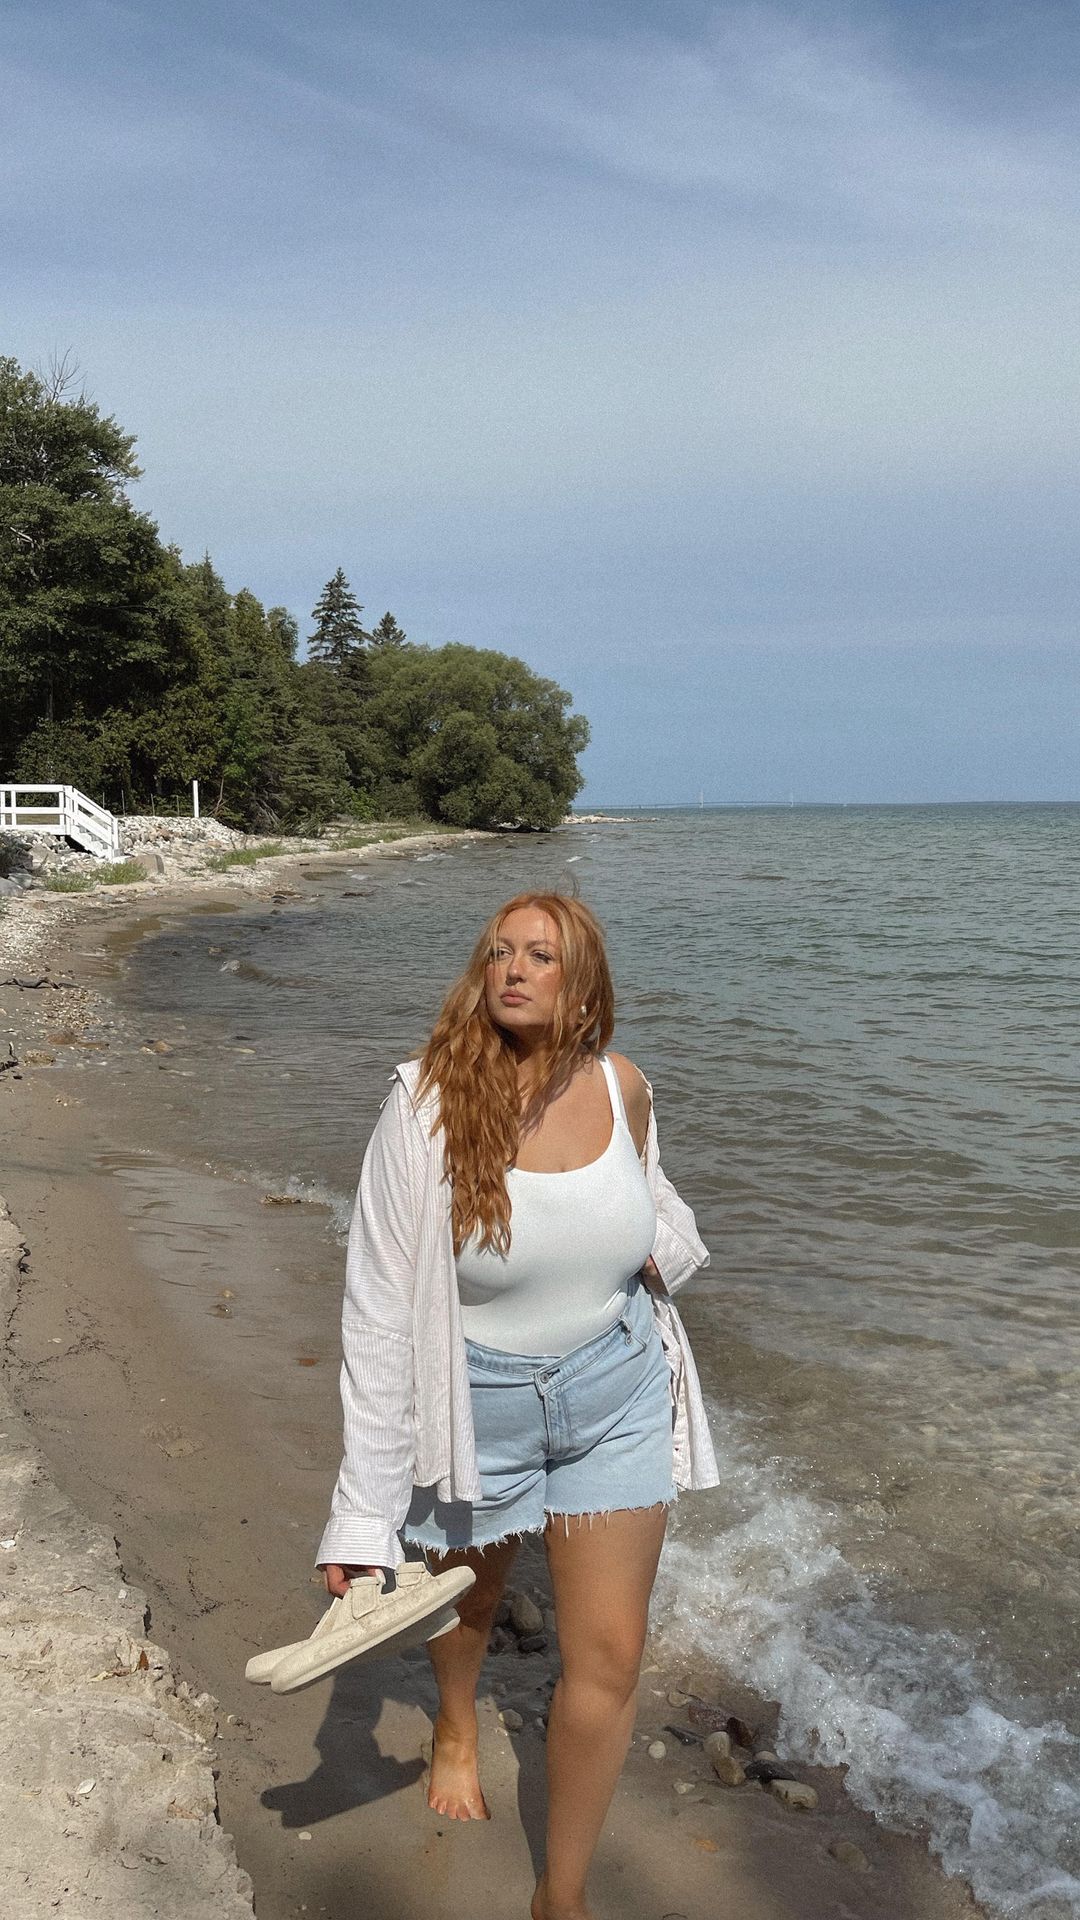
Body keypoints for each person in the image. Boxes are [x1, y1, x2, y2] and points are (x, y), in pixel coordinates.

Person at [317, 891, 717, 1920]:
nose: (515, 968)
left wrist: (661, 1247)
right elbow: (376, 1314)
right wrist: (360, 1516)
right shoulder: (423, 1106)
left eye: (541, 954)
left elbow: (655, 1200)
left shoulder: (625, 1086)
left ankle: (562, 1894)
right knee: (473, 1600)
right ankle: (456, 1718)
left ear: (583, 985)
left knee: (611, 1655)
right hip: (478, 1402)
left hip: (618, 1389)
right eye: (500, 952)